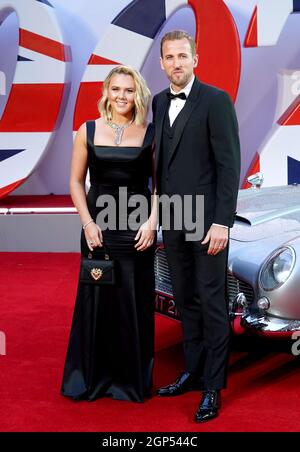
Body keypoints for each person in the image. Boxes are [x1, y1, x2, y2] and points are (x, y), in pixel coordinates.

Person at [153, 31, 240, 422]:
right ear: (161, 63)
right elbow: (160, 165)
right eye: (169, 57)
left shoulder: (216, 101)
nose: (176, 63)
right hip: (172, 219)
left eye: (183, 56)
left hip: (207, 223)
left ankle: (212, 387)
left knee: (212, 302)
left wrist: (222, 221)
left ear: (195, 59)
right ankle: (192, 370)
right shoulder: (157, 102)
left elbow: (229, 166)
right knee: (185, 298)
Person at [61, 65, 157, 403]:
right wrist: (88, 223)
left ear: (138, 94)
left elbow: (159, 186)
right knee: (96, 298)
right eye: (116, 89)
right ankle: (91, 378)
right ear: (106, 91)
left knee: (133, 299)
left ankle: (130, 381)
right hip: (97, 227)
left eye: (129, 91)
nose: (122, 96)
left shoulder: (150, 132)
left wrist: (152, 222)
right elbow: (75, 181)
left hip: (137, 227)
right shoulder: (87, 130)